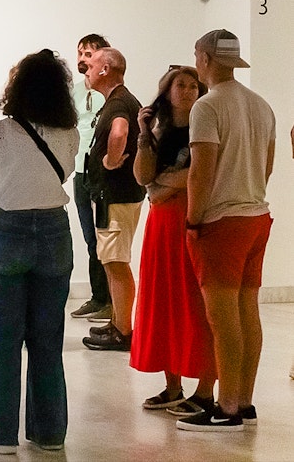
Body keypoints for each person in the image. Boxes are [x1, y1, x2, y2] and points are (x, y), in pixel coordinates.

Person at [0, 49, 79, 455]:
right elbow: (63, 172)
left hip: (6, 231)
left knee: (2, 336)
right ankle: (49, 433)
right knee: (48, 338)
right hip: (54, 231)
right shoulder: (69, 133)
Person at [176, 30, 275, 432]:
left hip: (221, 222)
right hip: (256, 216)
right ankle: (245, 400)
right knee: (247, 310)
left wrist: (194, 218)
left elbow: (202, 169)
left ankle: (227, 406)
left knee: (223, 319)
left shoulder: (208, 106)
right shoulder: (261, 105)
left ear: (204, 59)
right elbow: (267, 166)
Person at [127, 66, 216, 417]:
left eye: (193, 85)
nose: (187, 90)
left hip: (191, 219)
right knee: (163, 301)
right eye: (180, 85)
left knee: (194, 303)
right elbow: (141, 175)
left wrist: (160, 187)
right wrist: (143, 133)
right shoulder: (160, 131)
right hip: (161, 225)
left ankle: (205, 389)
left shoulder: (205, 127)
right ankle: (174, 385)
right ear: (166, 92)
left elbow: (199, 174)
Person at [81, 47, 146, 352]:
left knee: (116, 262)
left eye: (91, 63)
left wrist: (109, 160)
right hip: (115, 196)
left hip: (116, 196)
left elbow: (119, 133)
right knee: (111, 260)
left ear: (106, 69)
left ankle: (123, 330)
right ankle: (118, 322)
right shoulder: (120, 100)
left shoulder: (119, 103)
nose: (86, 68)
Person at [69, 34, 113, 321]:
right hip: (80, 172)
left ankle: (111, 301)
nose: (83, 59)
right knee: (89, 239)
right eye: (80, 54)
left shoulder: (108, 93)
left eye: (89, 54)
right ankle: (98, 298)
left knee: (105, 239)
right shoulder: (74, 92)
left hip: (101, 175)